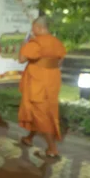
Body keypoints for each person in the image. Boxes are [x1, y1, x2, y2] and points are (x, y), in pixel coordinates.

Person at [18, 16, 66, 158]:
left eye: (33, 28)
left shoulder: (36, 42)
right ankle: (29, 138)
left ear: (39, 28)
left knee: (40, 112)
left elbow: (21, 59)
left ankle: (52, 149)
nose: (32, 31)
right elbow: (60, 60)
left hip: (37, 81)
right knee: (42, 110)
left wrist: (23, 45)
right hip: (52, 80)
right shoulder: (56, 42)